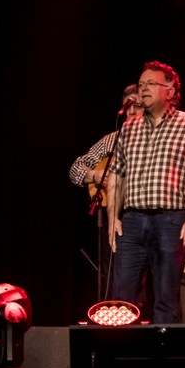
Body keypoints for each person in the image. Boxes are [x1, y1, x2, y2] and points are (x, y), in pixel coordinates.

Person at [106, 61, 185, 323]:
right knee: (121, 298)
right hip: (132, 221)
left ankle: (164, 348)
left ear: (170, 91)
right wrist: (113, 218)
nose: (143, 89)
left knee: (165, 298)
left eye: (150, 84)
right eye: (141, 84)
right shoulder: (129, 128)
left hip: (171, 220)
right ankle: (121, 347)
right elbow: (116, 175)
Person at [69, 84, 142, 304]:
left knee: (137, 281)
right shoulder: (110, 140)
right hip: (110, 216)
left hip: (139, 214)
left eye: (137, 106)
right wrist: (96, 175)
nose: (131, 111)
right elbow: (75, 168)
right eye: (127, 106)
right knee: (110, 276)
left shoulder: (151, 140)